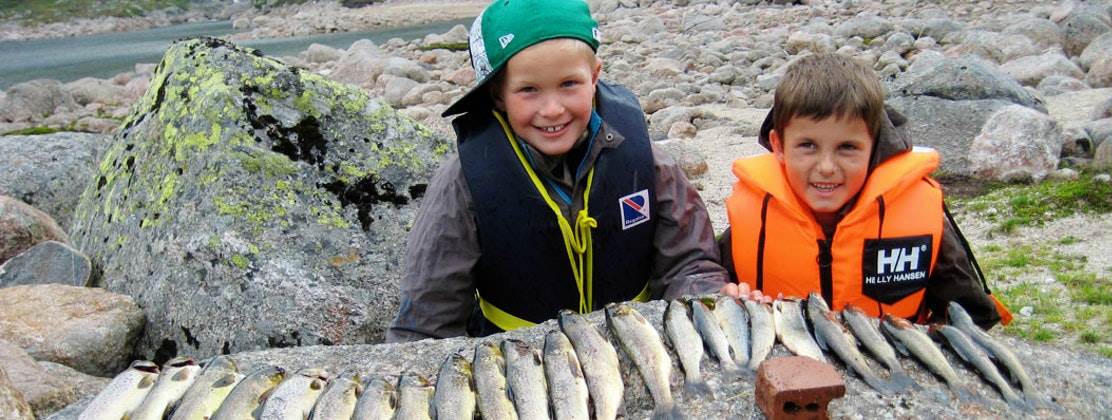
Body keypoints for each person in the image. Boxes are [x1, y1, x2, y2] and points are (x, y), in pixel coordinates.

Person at [387, 0, 728, 342]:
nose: (552, 109)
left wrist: (705, 312)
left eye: (569, 84)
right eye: (528, 90)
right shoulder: (463, 184)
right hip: (519, 361)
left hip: (635, 344)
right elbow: (427, 320)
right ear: (497, 95)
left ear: (594, 77)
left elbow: (692, 266)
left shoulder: (649, 162)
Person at [720, 53, 1011, 329]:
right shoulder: (752, 218)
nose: (826, 167)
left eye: (847, 147)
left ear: (874, 147)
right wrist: (730, 297)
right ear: (779, 146)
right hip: (791, 368)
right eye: (807, 145)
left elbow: (975, 316)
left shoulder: (921, 219)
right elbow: (708, 287)